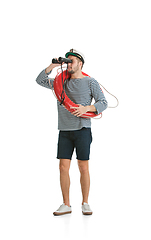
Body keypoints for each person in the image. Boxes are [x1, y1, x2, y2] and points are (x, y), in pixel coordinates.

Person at [36, 49, 108, 216]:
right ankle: (66, 204)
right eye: (67, 61)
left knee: (83, 167)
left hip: (83, 129)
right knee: (63, 167)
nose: (69, 63)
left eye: (72, 61)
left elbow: (103, 102)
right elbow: (40, 80)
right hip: (64, 130)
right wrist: (53, 65)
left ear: (80, 64)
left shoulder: (90, 82)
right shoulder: (60, 82)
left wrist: (87, 108)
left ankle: (85, 203)